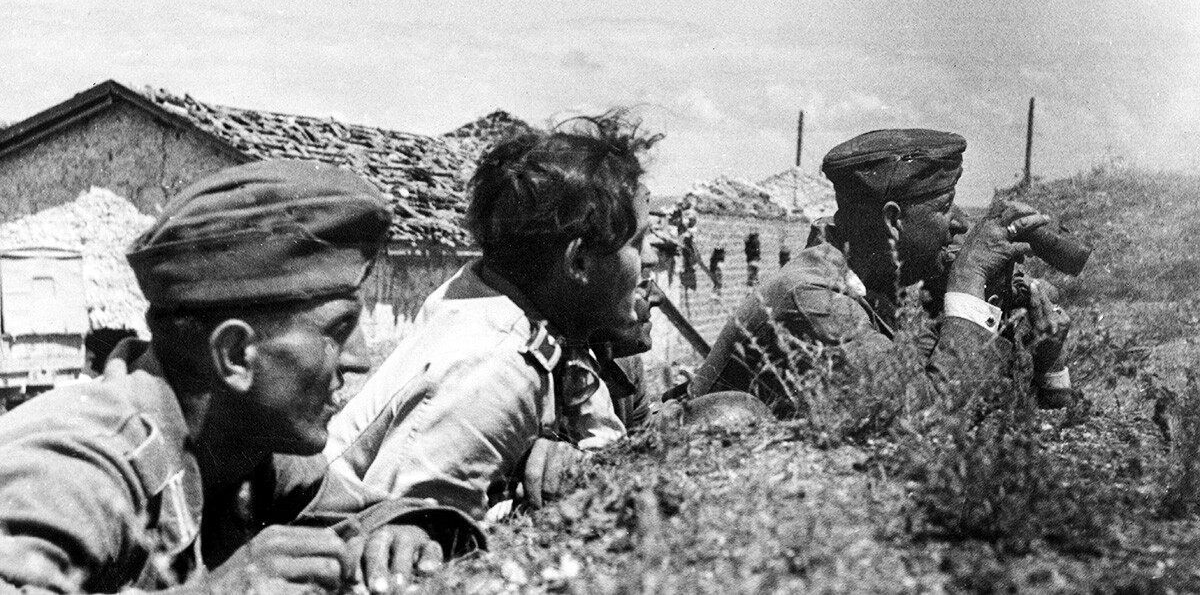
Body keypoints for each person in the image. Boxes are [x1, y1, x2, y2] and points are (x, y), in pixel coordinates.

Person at [0, 160, 479, 594]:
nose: (360, 359)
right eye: (338, 330)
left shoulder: (247, 444)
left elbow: (357, 509)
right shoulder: (79, 468)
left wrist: (406, 533)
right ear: (234, 355)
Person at [307, 113, 661, 523]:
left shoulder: (519, 309)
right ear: (578, 261)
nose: (651, 257)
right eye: (639, 241)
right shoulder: (496, 365)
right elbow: (412, 535)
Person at [689, 128, 1075, 415]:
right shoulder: (814, 300)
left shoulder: (873, 282)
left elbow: (974, 402)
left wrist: (1044, 358)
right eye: (944, 208)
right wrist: (968, 280)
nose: (960, 223)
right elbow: (925, 417)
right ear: (892, 221)